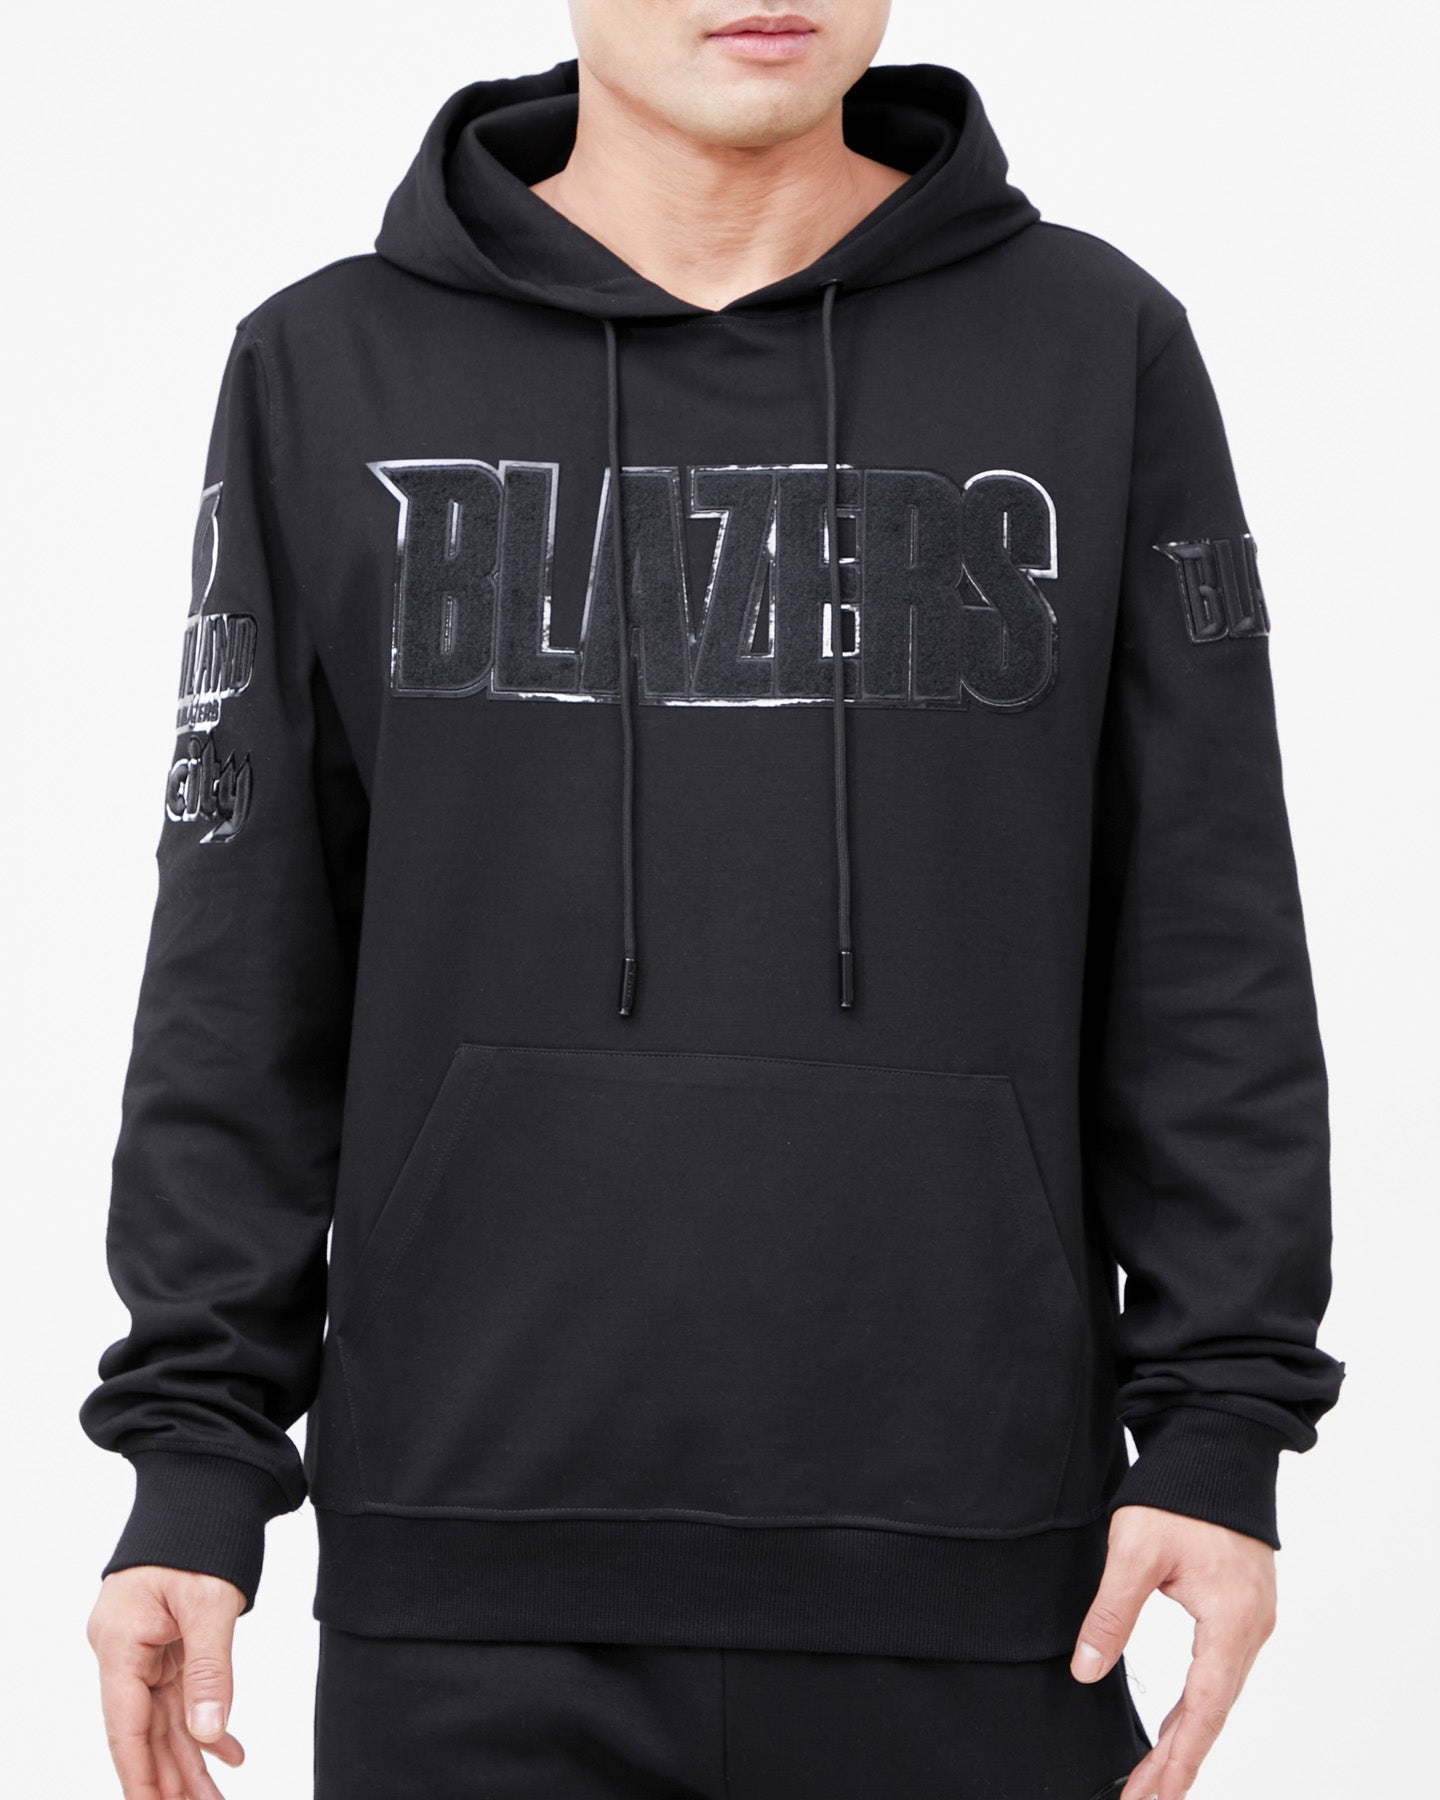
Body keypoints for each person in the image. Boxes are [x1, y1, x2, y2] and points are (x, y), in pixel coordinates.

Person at [79, 4, 1346, 1797]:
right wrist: (193, 1462)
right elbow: (242, 951)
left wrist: (1222, 1429)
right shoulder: (327, 367)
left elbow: (1206, 931)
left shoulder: (1095, 346)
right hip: (471, 1588)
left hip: (984, 1574)